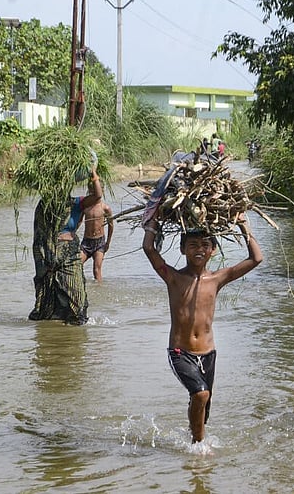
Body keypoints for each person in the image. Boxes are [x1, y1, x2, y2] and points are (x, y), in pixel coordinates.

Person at [142, 213, 263, 443]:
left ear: (213, 250)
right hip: (180, 352)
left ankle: (193, 442)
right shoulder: (174, 278)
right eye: (193, 245)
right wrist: (154, 220)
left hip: (208, 353)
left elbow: (256, 258)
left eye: (205, 245)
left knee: (203, 406)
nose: (199, 250)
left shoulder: (218, 278)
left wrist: (242, 225)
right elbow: (149, 248)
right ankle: (198, 448)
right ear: (182, 249)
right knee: (200, 393)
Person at [28, 166, 102, 325]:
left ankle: (74, 323)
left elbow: (97, 195)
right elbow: (33, 183)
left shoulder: (77, 203)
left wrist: (93, 173)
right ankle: (51, 322)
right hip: (46, 253)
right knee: (47, 291)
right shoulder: (46, 205)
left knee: (76, 294)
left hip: (69, 255)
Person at [79, 182, 114, 282]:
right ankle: (80, 285)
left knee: (96, 270)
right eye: (91, 191)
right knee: (77, 264)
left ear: (101, 191)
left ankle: (99, 290)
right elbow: (79, 222)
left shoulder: (105, 208)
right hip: (86, 242)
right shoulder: (86, 207)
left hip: (99, 243)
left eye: (96, 191)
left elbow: (111, 226)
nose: (93, 193)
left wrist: (108, 243)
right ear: (89, 191)